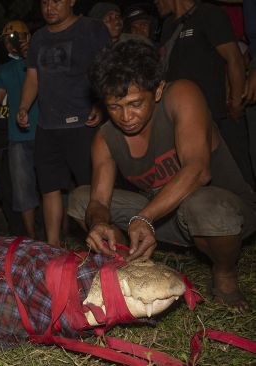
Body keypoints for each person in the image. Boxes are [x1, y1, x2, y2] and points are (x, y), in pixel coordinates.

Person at [68, 40, 256, 312]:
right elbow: (98, 201)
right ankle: (132, 266)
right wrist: (98, 223)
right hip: (165, 218)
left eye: (135, 104)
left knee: (202, 204)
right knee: (80, 201)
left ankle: (224, 272)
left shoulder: (181, 95)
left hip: (226, 213)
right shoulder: (105, 138)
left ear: (157, 90)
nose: (125, 116)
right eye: (114, 106)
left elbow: (198, 170)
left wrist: (144, 217)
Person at [18, 0, 109, 246]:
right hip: (47, 126)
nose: (49, 7)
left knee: (91, 188)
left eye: (56, 1)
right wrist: (24, 107)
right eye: (44, 2)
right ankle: (53, 248)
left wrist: (101, 104)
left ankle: (102, 243)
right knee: (48, 187)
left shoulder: (91, 29)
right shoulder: (38, 38)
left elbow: (106, 69)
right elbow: (32, 78)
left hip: (83, 124)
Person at [157, 0, 253, 187]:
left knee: (239, 179)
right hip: (184, 121)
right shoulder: (168, 26)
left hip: (218, 116)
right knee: (202, 178)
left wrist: (235, 103)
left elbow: (234, 58)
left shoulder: (209, 14)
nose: (155, 3)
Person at [0, 20, 39, 238]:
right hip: (18, 137)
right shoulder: (4, 69)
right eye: (6, 40)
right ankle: (32, 239)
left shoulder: (39, 60)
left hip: (44, 131)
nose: (9, 43)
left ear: (28, 37)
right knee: (22, 191)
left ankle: (59, 237)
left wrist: (30, 55)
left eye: (14, 37)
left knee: (53, 186)